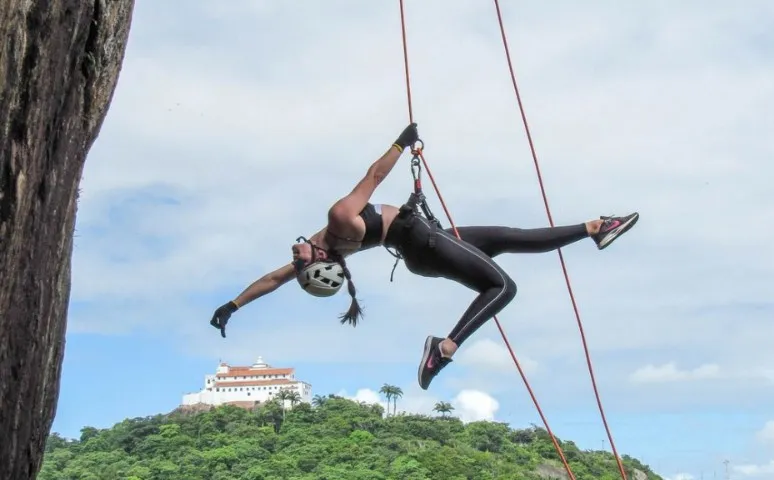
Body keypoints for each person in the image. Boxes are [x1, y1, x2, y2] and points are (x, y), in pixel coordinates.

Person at [209, 123, 639, 390]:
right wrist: (401, 142)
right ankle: (444, 348)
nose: (293, 251)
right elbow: (372, 177)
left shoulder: (328, 248)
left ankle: (595, 229)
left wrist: (232, 305)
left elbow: (272, 279)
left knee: (509, 237)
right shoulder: (339, 219)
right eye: (299, 257)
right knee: (503, 286)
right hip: (424, 243)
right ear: (318, 258)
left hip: (425, 240)